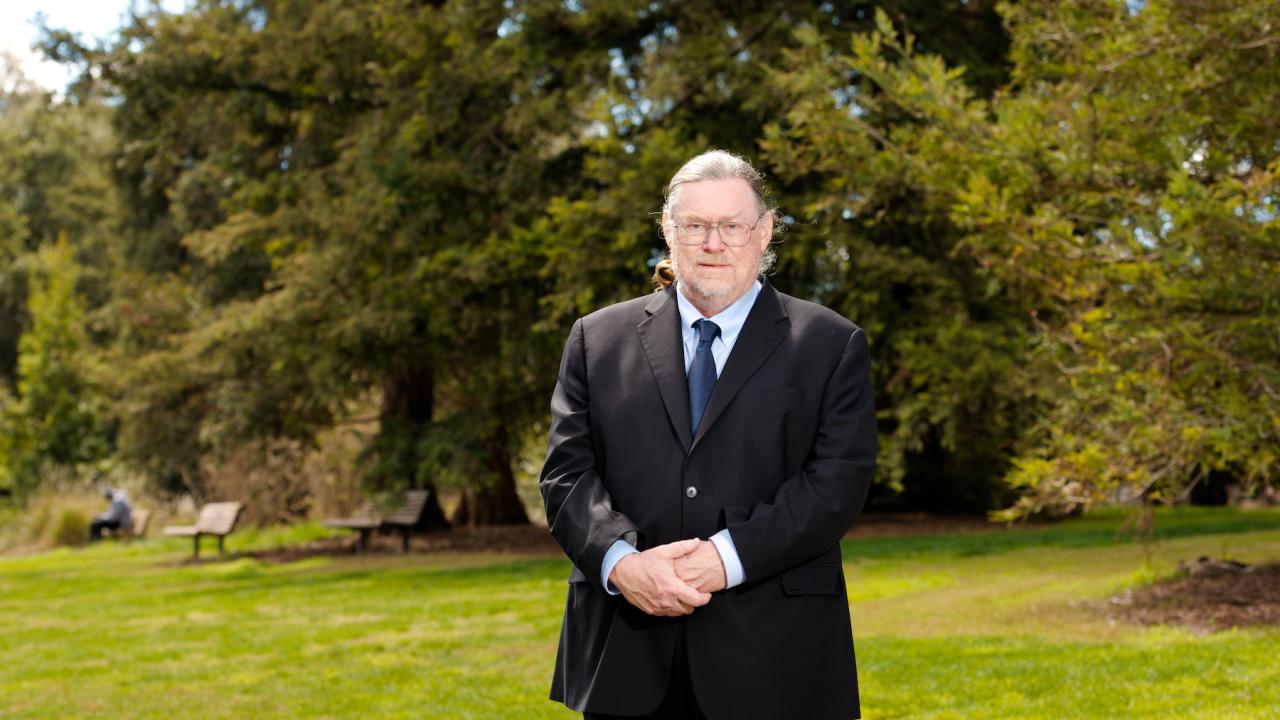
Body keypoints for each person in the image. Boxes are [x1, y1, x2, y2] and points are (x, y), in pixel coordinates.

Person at [540, 150, 877, 719]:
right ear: (669, 234)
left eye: (731, 226)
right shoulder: (596, 339)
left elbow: (835, 486)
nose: (712, 243)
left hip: (778, 659)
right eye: (695, 226)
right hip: (629, 654)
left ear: (764, 232)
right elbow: (566, 476)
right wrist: (621, 562)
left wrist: (724, 557)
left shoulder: (829, 343)